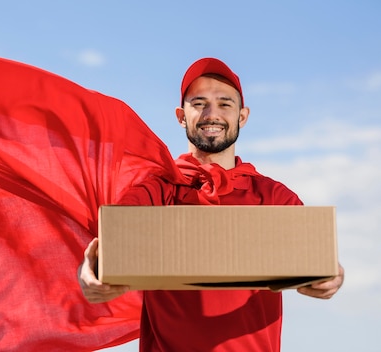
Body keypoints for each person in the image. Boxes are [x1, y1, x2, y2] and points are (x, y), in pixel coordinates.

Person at [78, 57, 345, 351]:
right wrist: (89, 274)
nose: (211, 114)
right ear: (181, 116)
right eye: (199, 103)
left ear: (242, 116)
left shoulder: (273, 197)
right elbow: (107, 250)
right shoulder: (156, 192)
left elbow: (319, 260)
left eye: (224, 104)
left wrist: (330, 278)